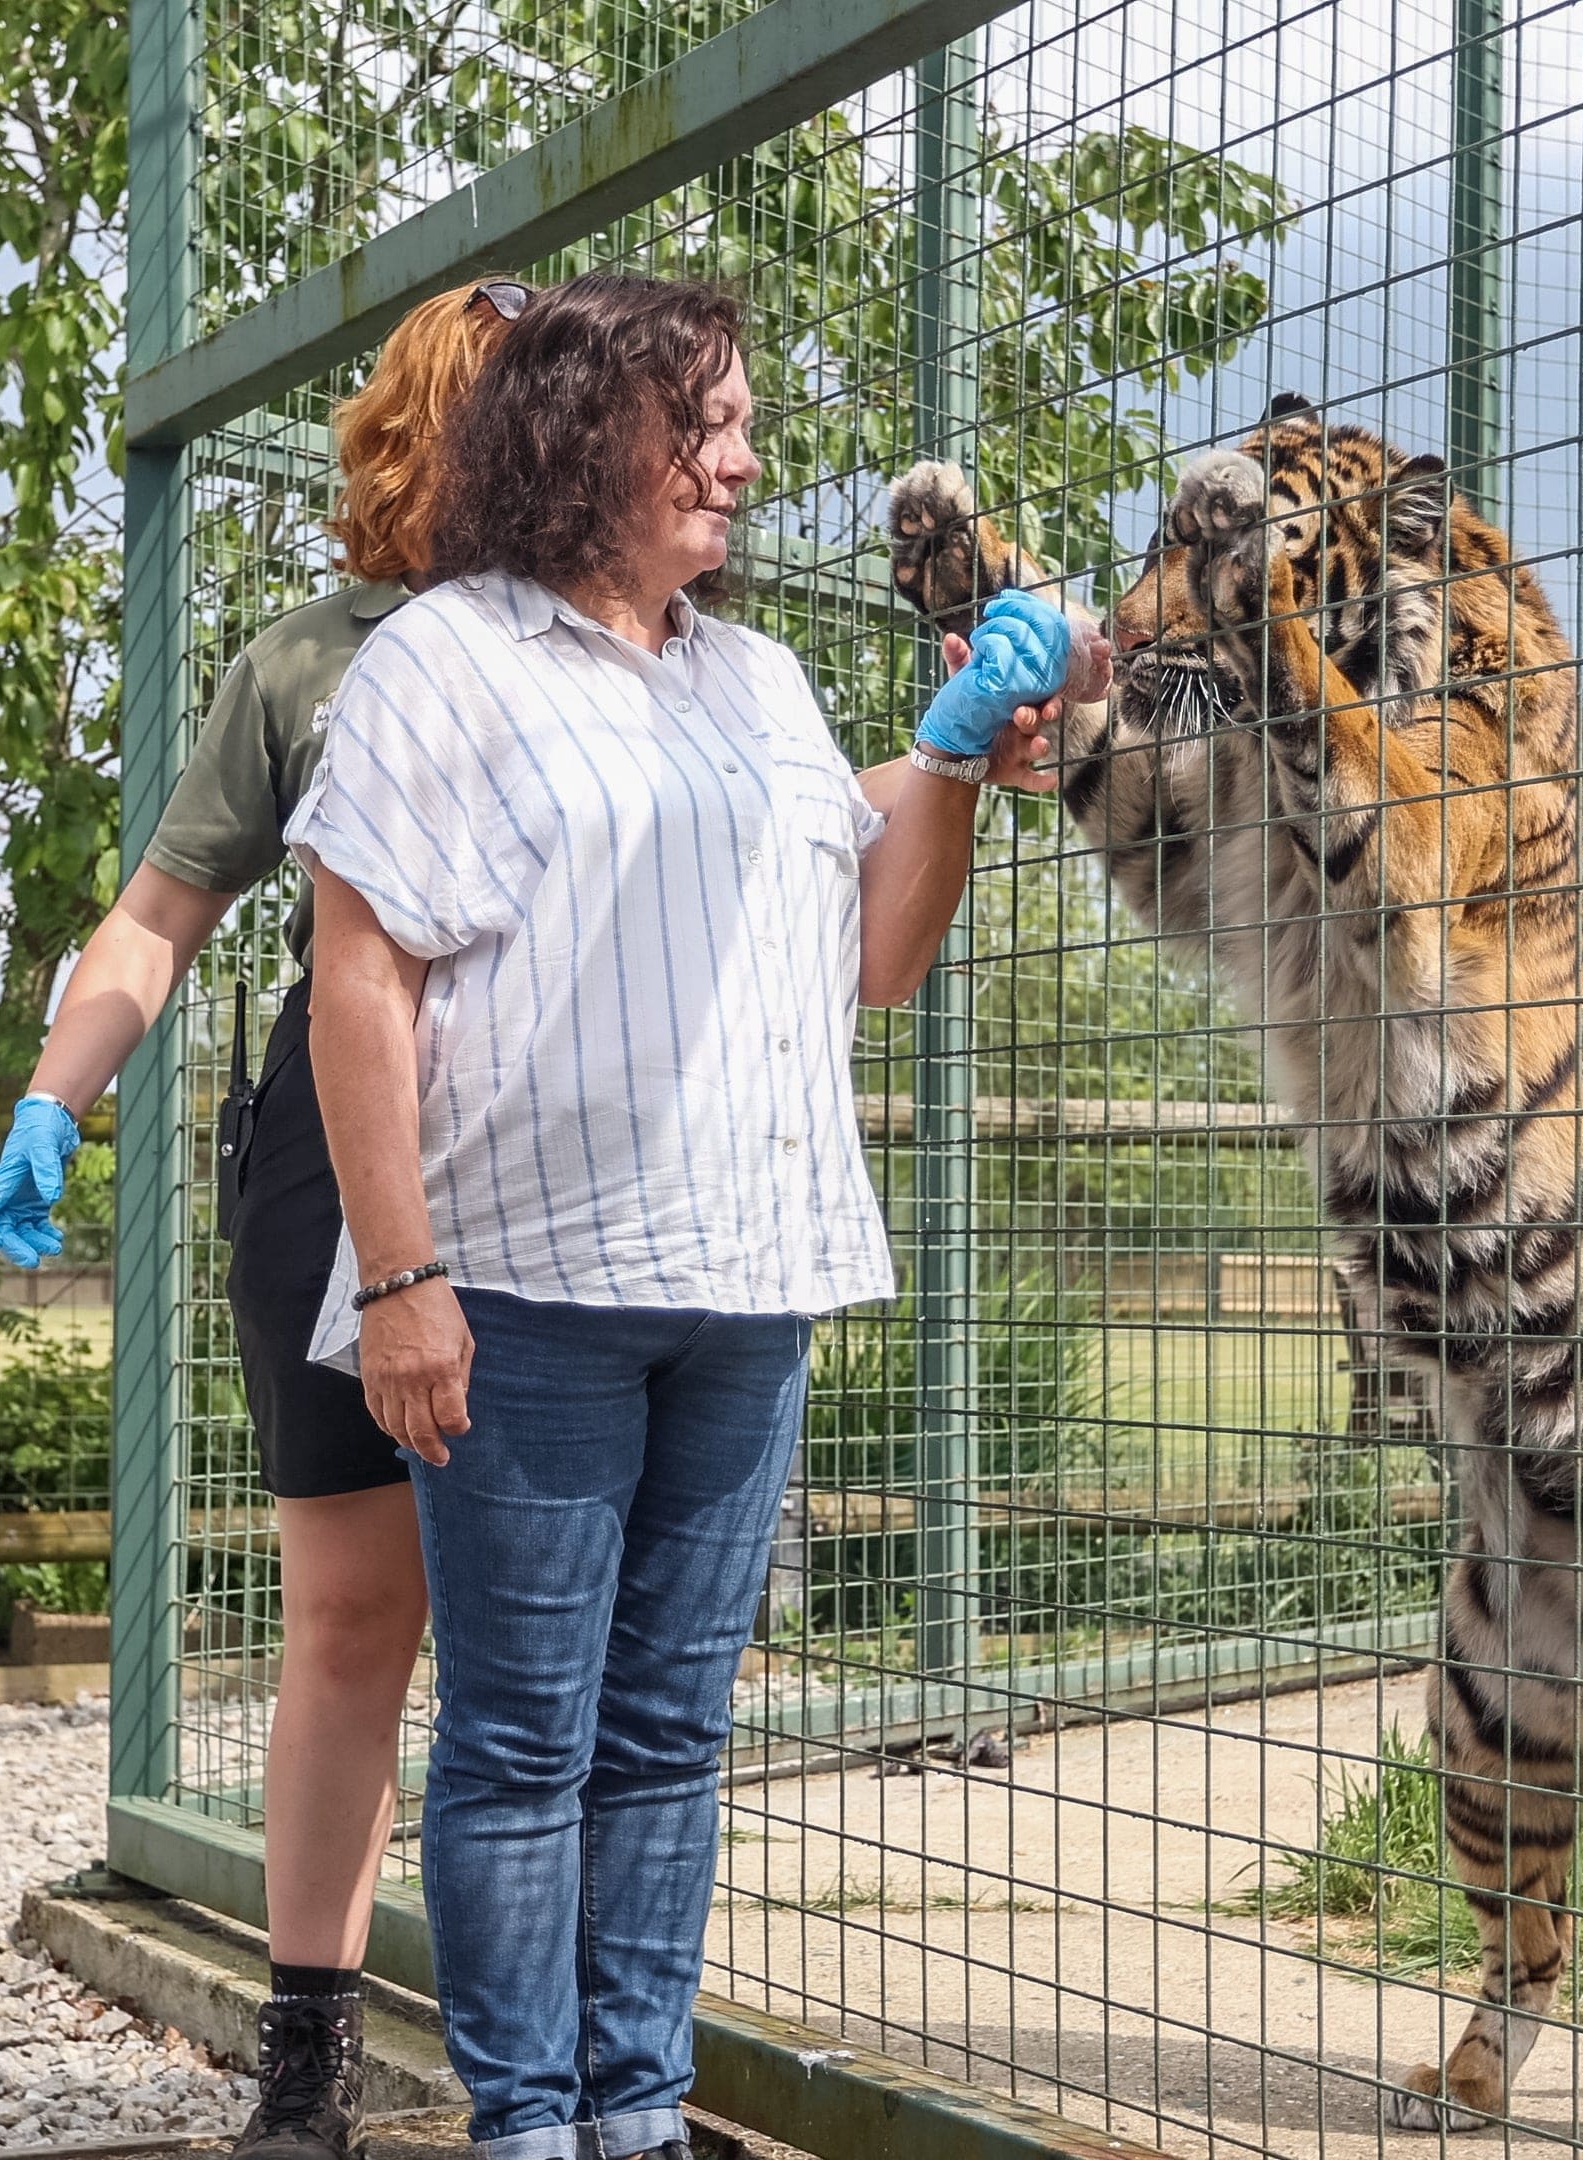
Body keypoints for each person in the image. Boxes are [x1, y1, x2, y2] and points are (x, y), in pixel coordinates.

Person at [288, 273, 1086, 2160]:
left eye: (736, 420)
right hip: (524, 1285)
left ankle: (635, 2114)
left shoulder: (755, 680)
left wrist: (960, 749)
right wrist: (400, 1279)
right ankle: (528, 2123)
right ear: (584, 443)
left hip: (749, 1280)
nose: (743, 455)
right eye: (703, 422)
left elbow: (872, 957)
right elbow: (358, 982)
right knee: (518, 1743)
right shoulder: (443, 664)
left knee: (666, 1740)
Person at [0, 281, 519, 2160]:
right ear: (428, 436)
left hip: (569, 1162)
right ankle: (309, 2061)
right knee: (357, 1612)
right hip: (332, 1155)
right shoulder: (306, 663)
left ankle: (587, 2061)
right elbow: (154, 919)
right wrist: (58, 1092)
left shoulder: (639, 641)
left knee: (558, 1634)